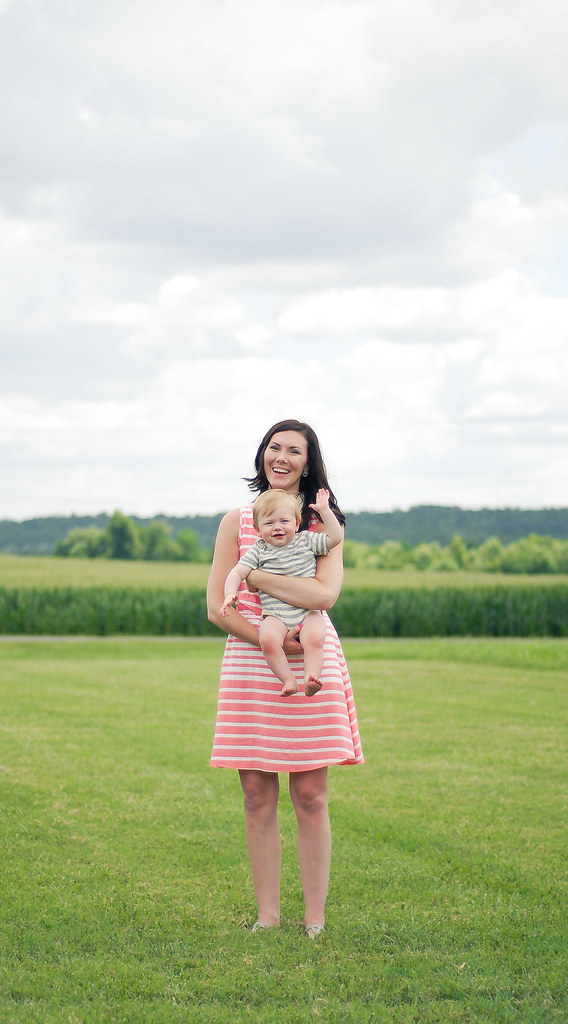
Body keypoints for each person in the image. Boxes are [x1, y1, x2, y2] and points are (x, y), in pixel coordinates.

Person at [207, 419, 364, 939]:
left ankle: (314, 919)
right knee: (255, 792)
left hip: (314, 655)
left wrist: (255, 576)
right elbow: (216, 608)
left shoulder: (323, 523)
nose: (281, 456)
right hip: (256, 658)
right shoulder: (235, 522)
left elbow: (323, 597)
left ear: (307, 461)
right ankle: (268, 916)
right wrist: (267, 639)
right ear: (262, 456)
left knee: (312, 793)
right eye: (274, 447)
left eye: (293, 450)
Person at [220, 486, 343, 697]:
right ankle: (287, 678)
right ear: (257, 529)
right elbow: (236, 572)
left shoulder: (306, 541)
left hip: (307, 612)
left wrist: (324, 510)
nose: (277, 527)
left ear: (296, 524)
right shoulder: (259, 550)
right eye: (269, 523)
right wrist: (229, 594)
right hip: (275, 615)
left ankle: (311, 678)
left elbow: (335, 537)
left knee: (314, 638)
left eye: (284, 521)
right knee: (267, 640)